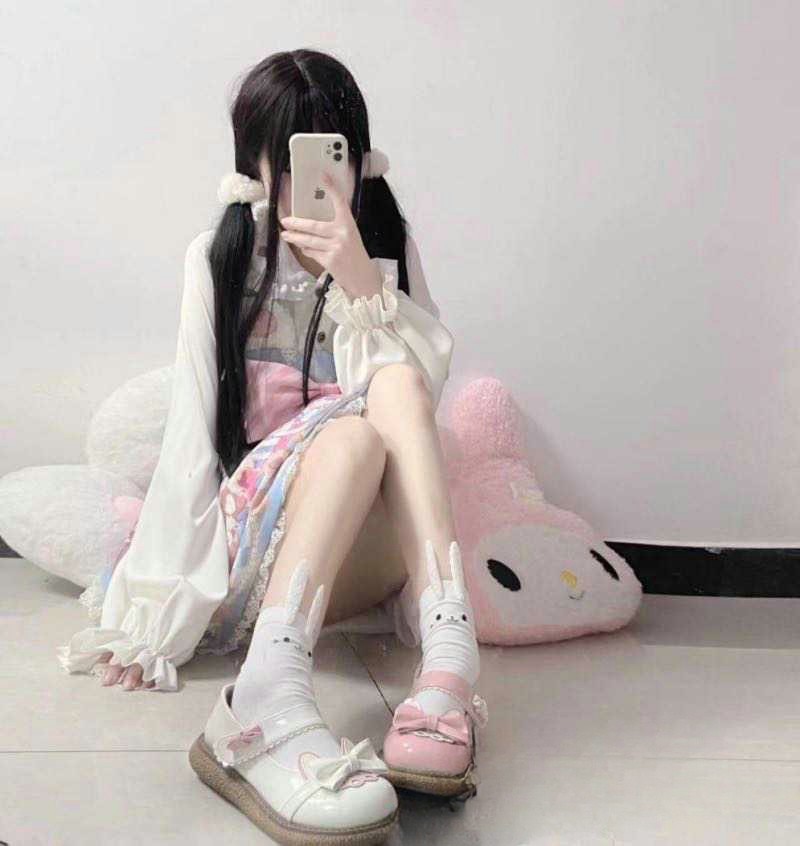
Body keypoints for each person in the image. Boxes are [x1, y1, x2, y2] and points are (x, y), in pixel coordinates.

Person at [57, 48, 487, 843]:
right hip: (264, 556)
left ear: (358, 156)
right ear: (253, 162)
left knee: (395, 385)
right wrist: (153, 608)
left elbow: (423, 394)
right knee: (351, 436)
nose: (310, 180)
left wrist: (361, 279)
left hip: (359, 557)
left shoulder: (383, 243)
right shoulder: (221, 258)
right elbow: (191, 434)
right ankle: (269, 686)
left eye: (331, 153)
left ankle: (449, 655)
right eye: (289, 159)